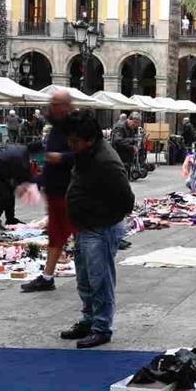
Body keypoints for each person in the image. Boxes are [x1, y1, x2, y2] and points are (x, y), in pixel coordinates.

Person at [60, 111, 135, 349]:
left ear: (89, 139)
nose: (70, 146)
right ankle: (89, 320)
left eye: (74, 141)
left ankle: (101, 327)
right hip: (84, 226)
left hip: (99, 228)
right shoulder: (85, 154)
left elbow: (126, 199)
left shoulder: (106, 161)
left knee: (99, 279)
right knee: (84, 278)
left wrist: (101, 217)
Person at [22, 91, 78, 293]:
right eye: (52, 103)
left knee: (79, 234)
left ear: (67, 105)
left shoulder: (76, 126)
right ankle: (47, 277)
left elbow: (86, 154)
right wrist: (36, 182)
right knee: (56, 236)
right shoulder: (56, 127)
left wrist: (61, 158)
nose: (52, 107)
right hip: (55, 190)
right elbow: (48, 161)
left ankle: (88, 274)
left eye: (56, 103)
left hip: (71, 191)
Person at [0, 144, 38, 225]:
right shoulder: (21, 157)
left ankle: (10, 219)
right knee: (5, 196)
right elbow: (22, 175)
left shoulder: (21, 149)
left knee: (10, 193)